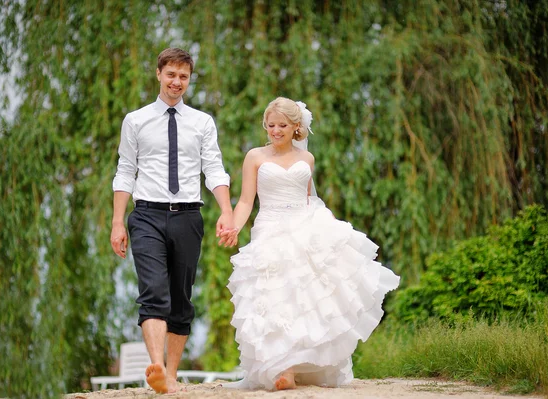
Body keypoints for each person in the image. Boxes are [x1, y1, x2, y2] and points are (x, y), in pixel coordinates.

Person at [220, 97, 400, 391]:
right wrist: (234, 227)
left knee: (303, 297)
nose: (275, 130)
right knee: (276, 296)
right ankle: (284, 368)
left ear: (295, 127)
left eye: (282, 125)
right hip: (269, 227)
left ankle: (298, 365)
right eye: (271, 125)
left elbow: (308, 198)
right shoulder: (254, 156)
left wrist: (323, 226)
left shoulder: (307, 160)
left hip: (303, 225)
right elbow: (245, 201)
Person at [110, 47, 234, 394]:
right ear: (158, 74)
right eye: (171, 75)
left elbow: (213, 169)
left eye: (183, 76)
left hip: (188, 216)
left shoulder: (202, 122)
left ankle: (172, 375)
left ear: (189, 79)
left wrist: (226, 210)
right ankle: (158, 367)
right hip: (146, 214)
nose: (177, 82)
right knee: (153, 292)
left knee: (181, 296)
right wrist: (118, 222)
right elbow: (124, 172)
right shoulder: (135, 120)